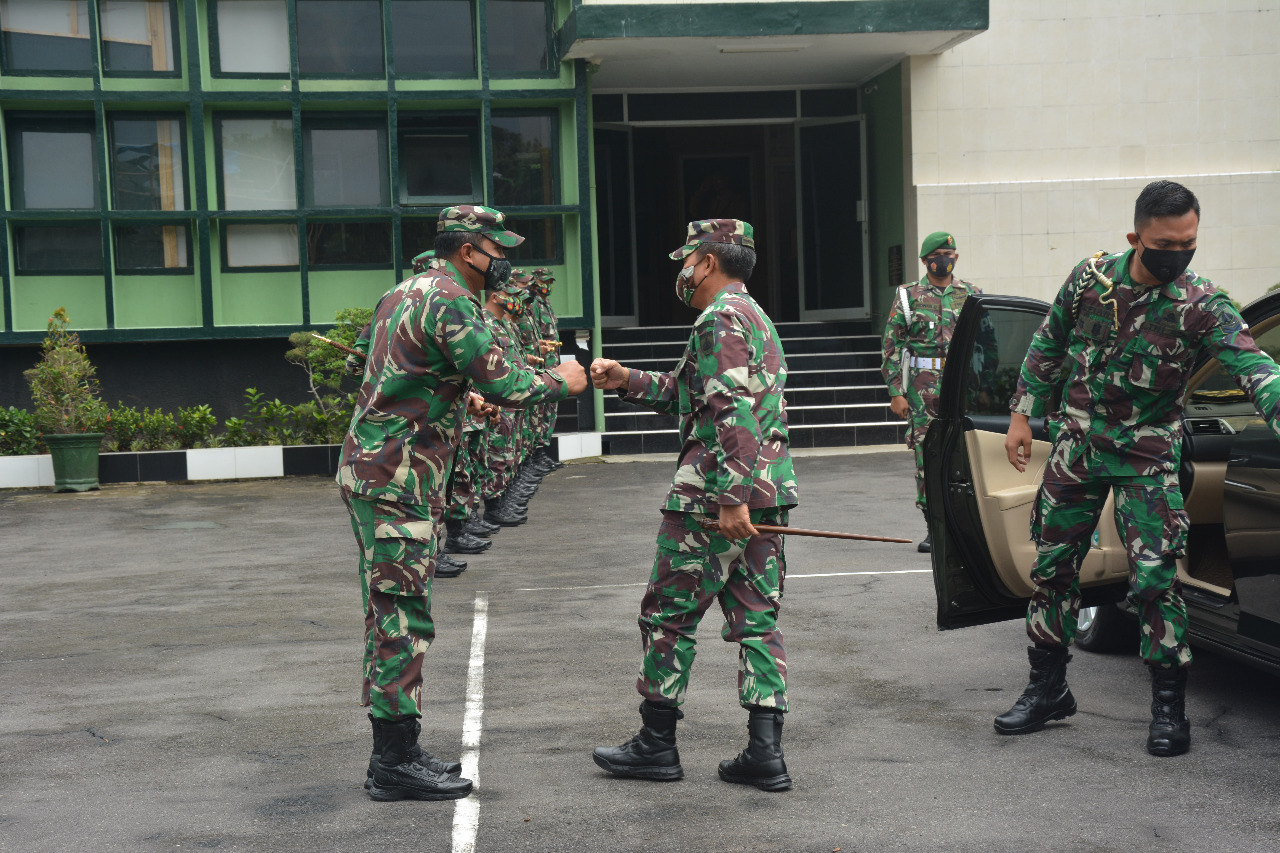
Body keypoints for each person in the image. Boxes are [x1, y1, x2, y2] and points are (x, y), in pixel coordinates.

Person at [997, 180, 1280, 756]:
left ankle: (1169, 709)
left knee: (1153, 580)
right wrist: (1023, 416)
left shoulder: (1201, 303)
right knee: (1051, 570)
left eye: (1189, 242)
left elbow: (1255, 366)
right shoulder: (1090, 279)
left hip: (1148, 456)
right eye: (1165, 243)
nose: (1179, 253)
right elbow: (1048, 345)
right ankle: (1047, 689)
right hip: (1077, 446)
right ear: (1136, 237)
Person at [336, 205, 587, 801]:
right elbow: (508, 382)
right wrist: (569, 378)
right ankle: (393, 762)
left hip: (383, 468)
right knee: (401, 614)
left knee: (392, 609)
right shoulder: (450, 299)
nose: (505, 261)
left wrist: (455, 396)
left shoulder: (408, 291)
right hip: (397, 477)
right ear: (470, 248)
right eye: (498, 250)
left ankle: (397, 747)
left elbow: (406, 369)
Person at [589, 219, 799, 792]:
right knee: (756, 619)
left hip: (713, 500)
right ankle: (765, 752)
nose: (681, 272)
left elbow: (730, 409)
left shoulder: (719, 319)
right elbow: (689, 393)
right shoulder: (751, 316)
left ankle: (656, 745)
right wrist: (623, 378)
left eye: (686, 261)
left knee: (668, 616)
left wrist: (730, 499)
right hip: (765, 493)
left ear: (707, 262)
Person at [880, 231, 981, 553]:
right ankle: (933, 527)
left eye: (949, 254)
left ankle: (963, 526)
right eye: (937, 254)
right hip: (923, 393)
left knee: (966, 458)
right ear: (925, 261)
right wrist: (896, 392)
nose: (944, 259)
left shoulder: (972, 294)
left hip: (962, 389)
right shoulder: (909, 297)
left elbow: (986, 344)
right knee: (928, 459)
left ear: (956, 258)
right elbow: (891, 346)